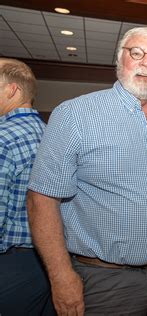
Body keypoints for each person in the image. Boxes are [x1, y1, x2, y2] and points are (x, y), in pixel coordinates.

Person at [27, 27, 147, 315]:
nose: (145, 63)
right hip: (106, 281)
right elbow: (41, 200)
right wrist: (61, 277)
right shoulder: (75, 115)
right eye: (137, 53)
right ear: (119, 60)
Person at [0, 58, 55, 315]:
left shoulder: (3, 137)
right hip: (50, 259)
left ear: (12, 90)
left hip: (10, 264)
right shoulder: (50, 134)